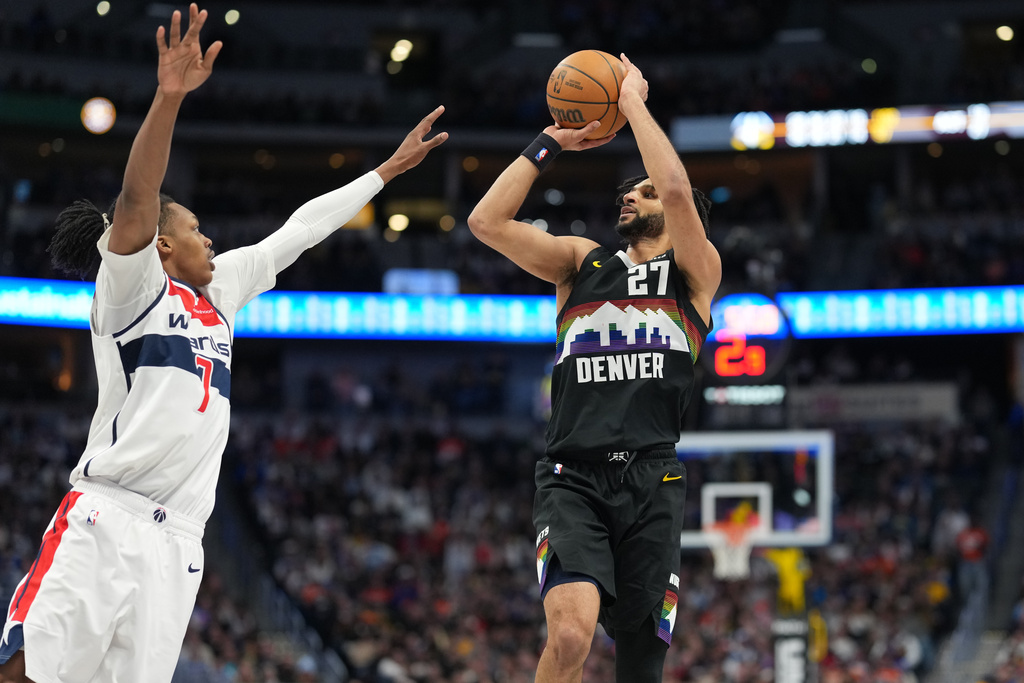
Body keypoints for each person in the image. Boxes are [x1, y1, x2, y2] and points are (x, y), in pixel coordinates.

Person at [0, 5, 447, 682]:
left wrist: (383, 173)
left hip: (180, 541)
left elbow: (297, 232)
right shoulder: (129, 286)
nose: (212, 240)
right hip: (106, 515)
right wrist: (169, 97)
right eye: (198, 229)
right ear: (163, 242)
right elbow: (137, 193)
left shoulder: (224, 290)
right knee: (25, 670)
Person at [467, 54, 720, 683]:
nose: (628, 195)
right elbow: (485, 223)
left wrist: (631, 101)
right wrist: (549, 142)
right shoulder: (581, 262)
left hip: (653, 483)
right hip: (573, 477)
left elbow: (681, 190)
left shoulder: (695, 275)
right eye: (626, 191)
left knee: (640, 669)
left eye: (643, 190)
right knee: (572, 634)